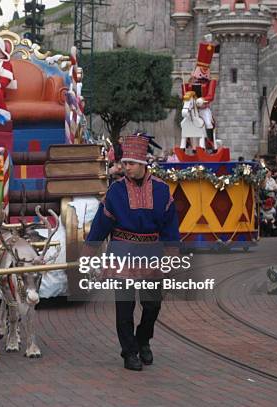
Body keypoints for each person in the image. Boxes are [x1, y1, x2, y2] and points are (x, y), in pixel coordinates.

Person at [84, 132, 180, 371]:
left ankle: (143, 340)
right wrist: (89, 250)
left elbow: (170, 225)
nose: (125, 167)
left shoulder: (161, 190)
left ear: (143, 164)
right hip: (122, 253)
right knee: (124, 307)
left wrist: (172, 254)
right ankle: (129, 352)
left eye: (131, 164)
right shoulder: (115, 191)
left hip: (152, 254)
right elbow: (101, 223)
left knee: (152, 306)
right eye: (124, 163)